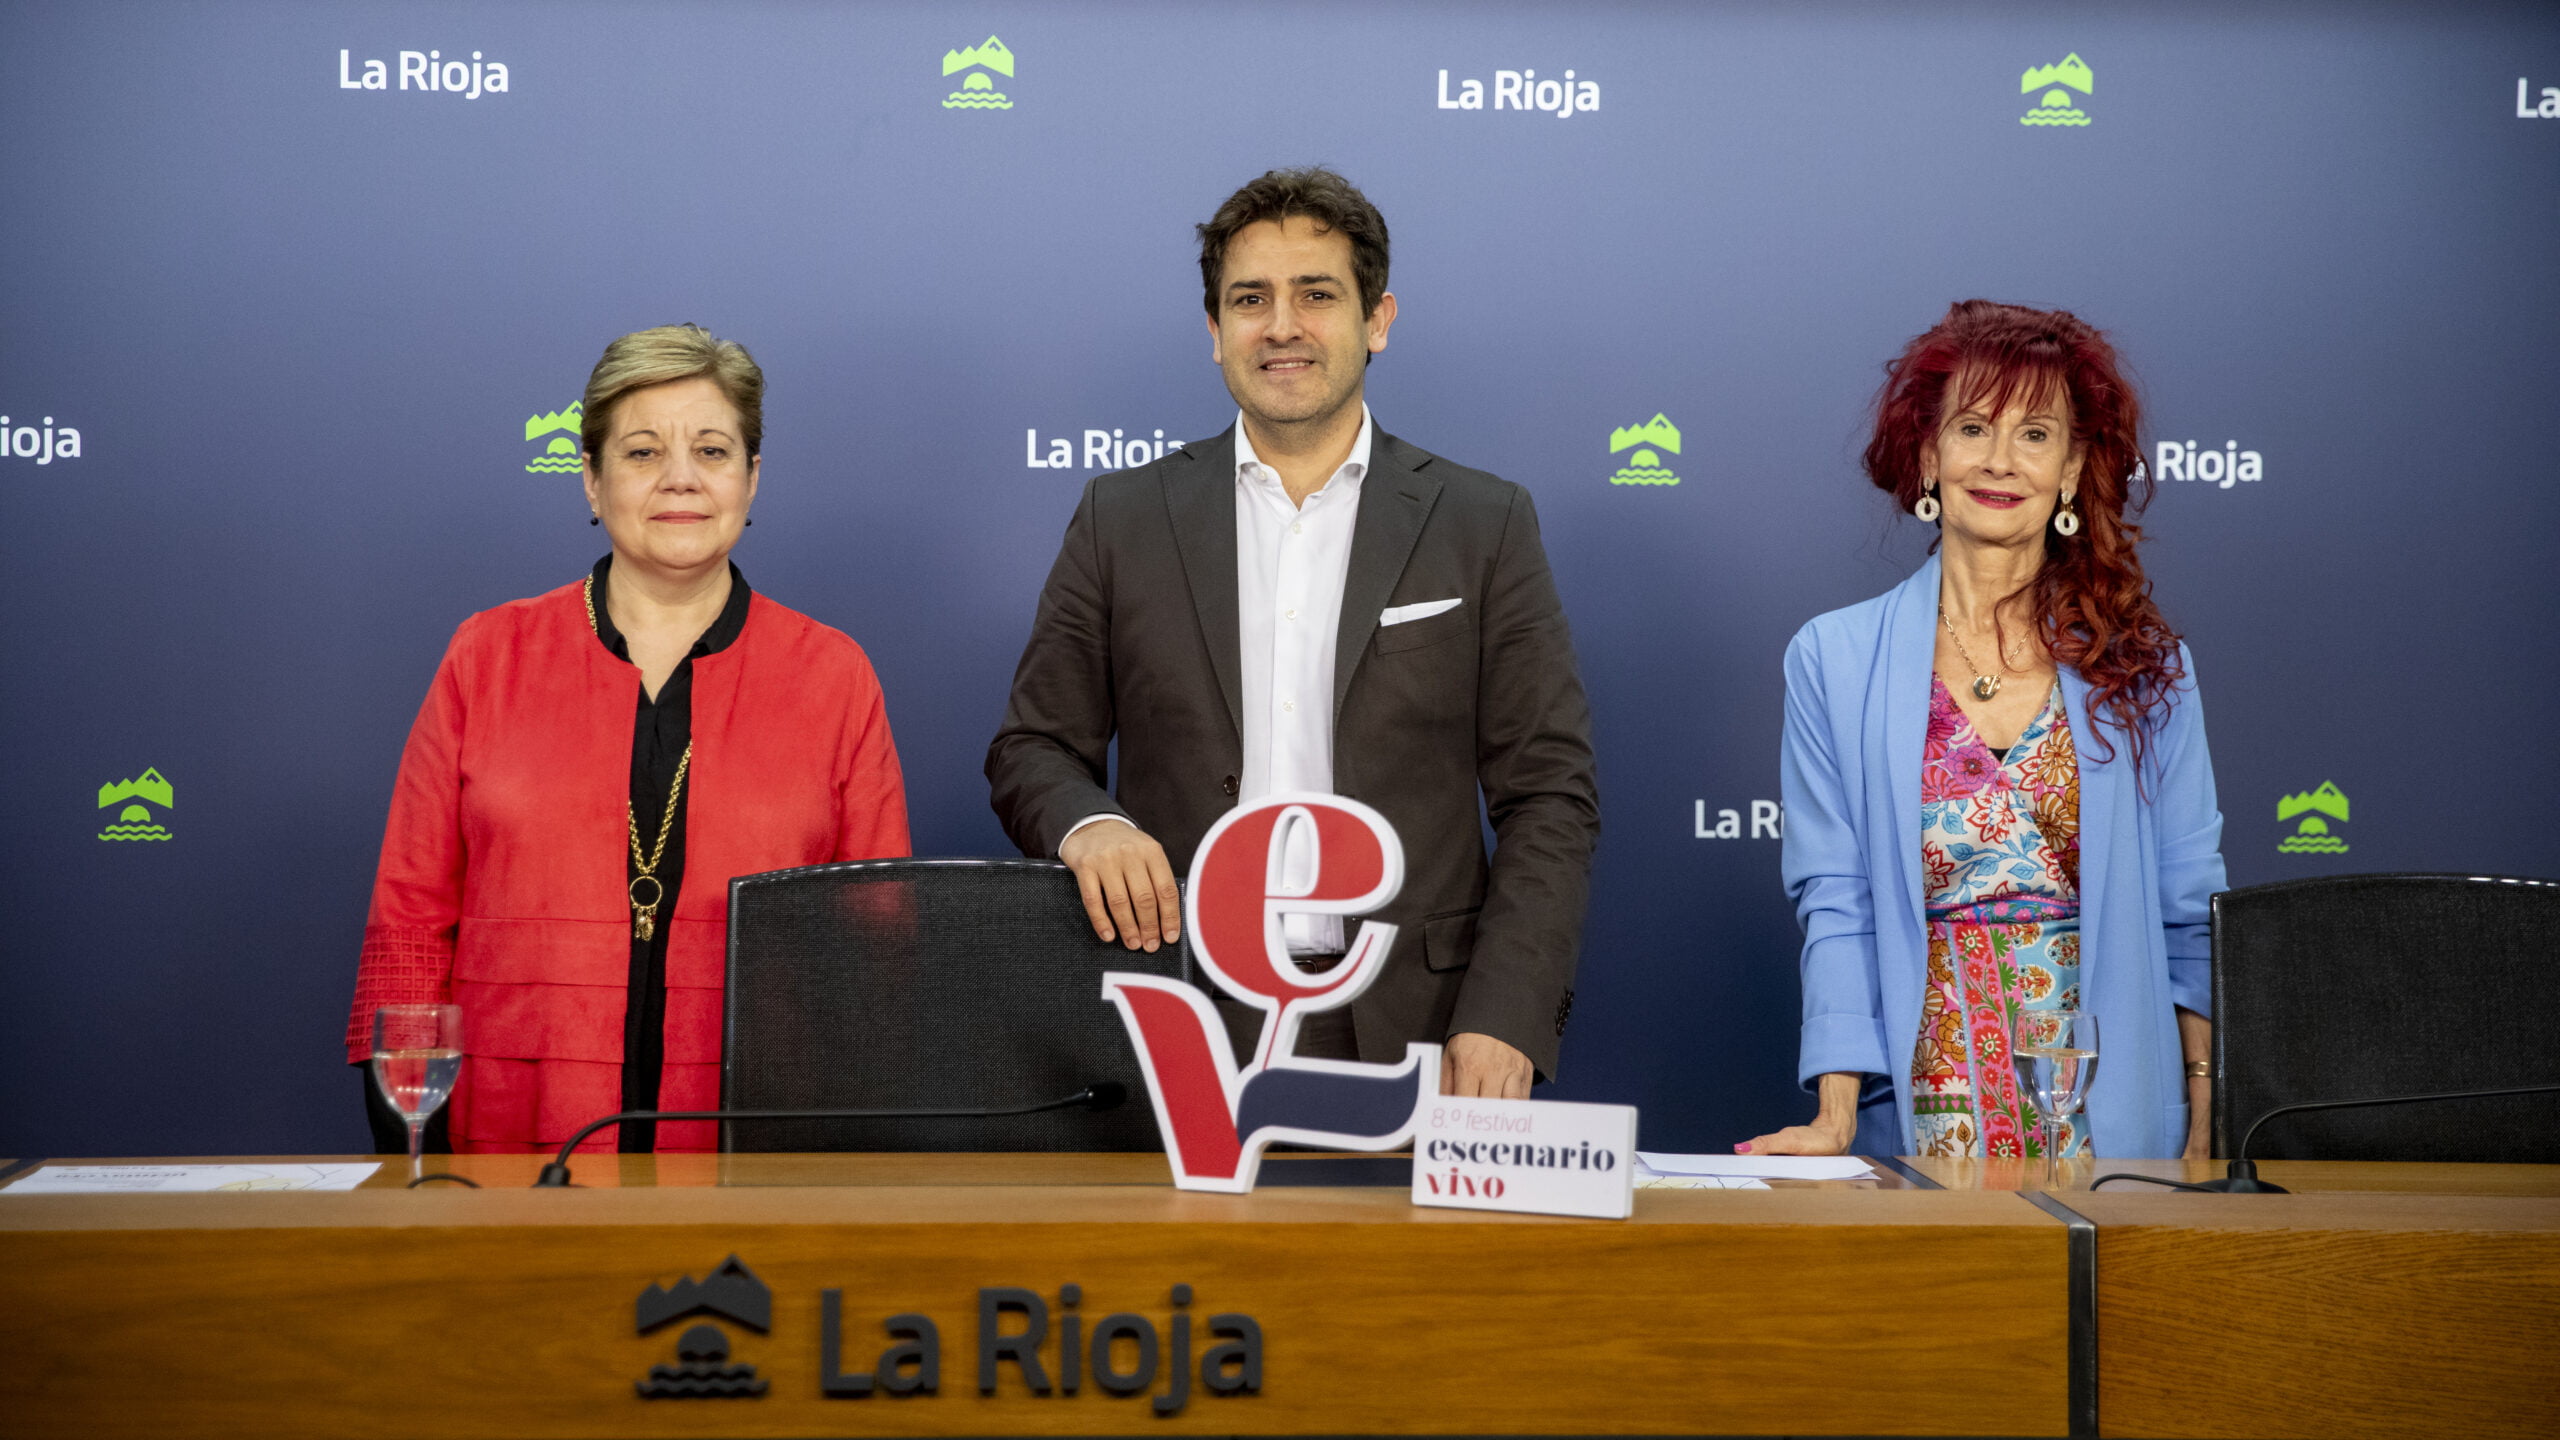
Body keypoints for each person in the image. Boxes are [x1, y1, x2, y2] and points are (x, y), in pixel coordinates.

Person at [986, 168, 1600, 1097]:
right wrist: (1091, 823)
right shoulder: (1124, 516)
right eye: (1250, 299)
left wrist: (1505, 1014)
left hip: (1419, 1031)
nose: (1282, 326)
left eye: (1317, 295)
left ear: (1377, 320)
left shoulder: (1483, 522)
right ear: (1214, 331)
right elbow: (1033, 747)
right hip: (1179, 1017)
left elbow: (1550, 794)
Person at [345, 324, 910, 1154]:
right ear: (591, 480)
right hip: (510, 1152)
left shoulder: (832, 674)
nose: (681, 478)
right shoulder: (486, 655)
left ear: (752, 480)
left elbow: (876, 947)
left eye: (713, 451)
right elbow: (411, 921)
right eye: (643, 453)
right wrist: (408, 1145)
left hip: (760, 1157)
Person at [1745, 300, 2227, 1161]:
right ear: (1929, 454)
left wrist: (2203, 1104)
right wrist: (1837, 1114)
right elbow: (1837, 899)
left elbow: (2188, 905)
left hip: (2115, 1103)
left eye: (2036, 435)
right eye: (1973, 427)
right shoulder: (1834, 658)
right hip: (1924, 1105)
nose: (2001, 460)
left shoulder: (2146, 665)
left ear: (2074, 468)